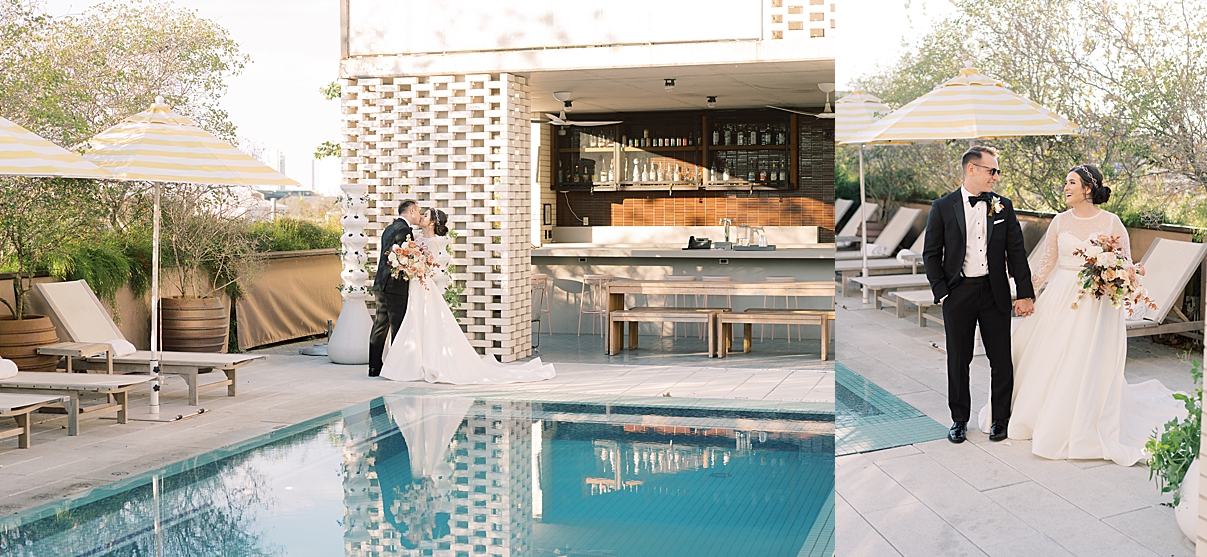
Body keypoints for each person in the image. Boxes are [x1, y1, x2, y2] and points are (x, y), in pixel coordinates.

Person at [978, 164, 1185, 465]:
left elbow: (1127, 264)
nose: (1065, 187)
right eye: (1065, 182)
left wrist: (1120, 274)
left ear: (1088, 188)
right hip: (1061, 295)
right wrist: (1025, 295)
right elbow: (1047, 263)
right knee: (1042, 350)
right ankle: (1036, 413)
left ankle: (1081, 419)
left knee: (1084, 358)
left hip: (1096, 302)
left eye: (1071, 182)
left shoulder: (1112, 222)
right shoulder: (1059, 222)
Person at [923, 146, 1035, 444]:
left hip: (994, 291)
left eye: (997, 171)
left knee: (1001, 360)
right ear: (971, 169)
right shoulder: (943, 207)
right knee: (959, 360)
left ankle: (1000, 419)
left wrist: (1024, 293)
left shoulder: (1003, 206)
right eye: (991, 171)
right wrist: (942, 293)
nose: (996, 177)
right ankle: (959, 420)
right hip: (958, 293)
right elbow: (931, 253)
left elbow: (1017, 253)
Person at [380, 207, 556, 384]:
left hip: (421, 285)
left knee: (422, 321)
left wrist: (414, 265)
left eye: (425, 215)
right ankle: (411, 361)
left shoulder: (433, 243)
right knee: (413, 322)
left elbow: (428, 266)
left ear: (432, 222)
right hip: (413, 285)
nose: (421, 217)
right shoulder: (415, 236)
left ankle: (421, 362)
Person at [368, 200, 420, 377]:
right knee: (398, 327)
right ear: (411, 210)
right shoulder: (404, 231)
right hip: (395, 285)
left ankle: (374, 367)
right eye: (418, 211)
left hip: (381, 283)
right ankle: (397, 368)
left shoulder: (389, 228)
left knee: (380, 325)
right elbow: (405, 258)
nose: (419, 215)